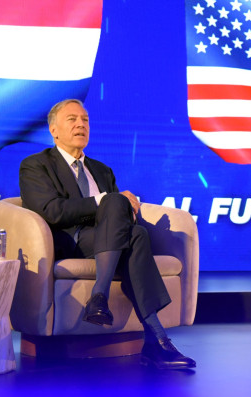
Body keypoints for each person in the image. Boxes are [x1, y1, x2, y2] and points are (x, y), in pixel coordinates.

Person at [19, 98, 196, 370]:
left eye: (86, 120)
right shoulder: (36, 165)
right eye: (72, 119)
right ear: (53, 130)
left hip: (107, 240)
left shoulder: (102, 170)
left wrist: (121, 207)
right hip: (71, 239)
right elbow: (51, 211)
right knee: (118, 208)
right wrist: (106, 201)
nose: (81, 124)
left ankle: (106, 305)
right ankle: (155, 341)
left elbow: (116, 217)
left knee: (135, 234)